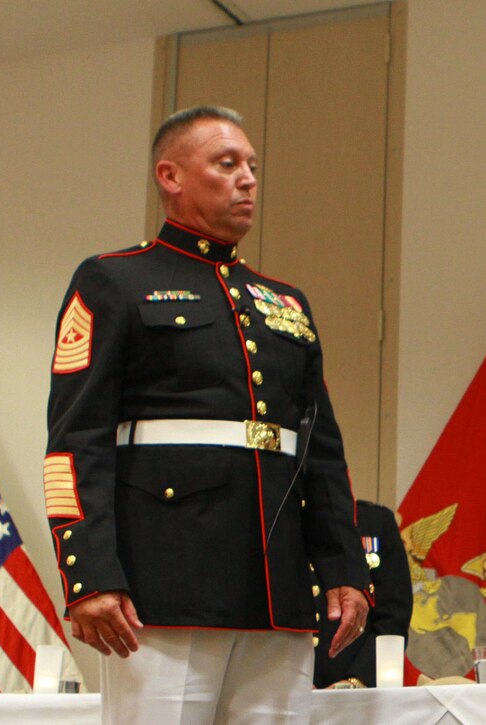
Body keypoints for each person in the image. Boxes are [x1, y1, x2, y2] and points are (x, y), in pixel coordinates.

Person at [43, 106, 370, 724]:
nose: (248, 178)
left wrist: (343, 567)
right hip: (162, 587)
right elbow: (74, 441)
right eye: (227, 164)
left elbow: (320, 451)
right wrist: (88, 574)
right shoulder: (115, 281)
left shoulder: (286, 303)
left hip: (276, 586)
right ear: (171, 175)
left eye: (252, 165)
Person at [313, 500, 413, 688]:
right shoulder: (279, 523)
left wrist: (356, 681)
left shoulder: (375, 522)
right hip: (282, 689)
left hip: (355, 693)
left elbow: (393, 616)